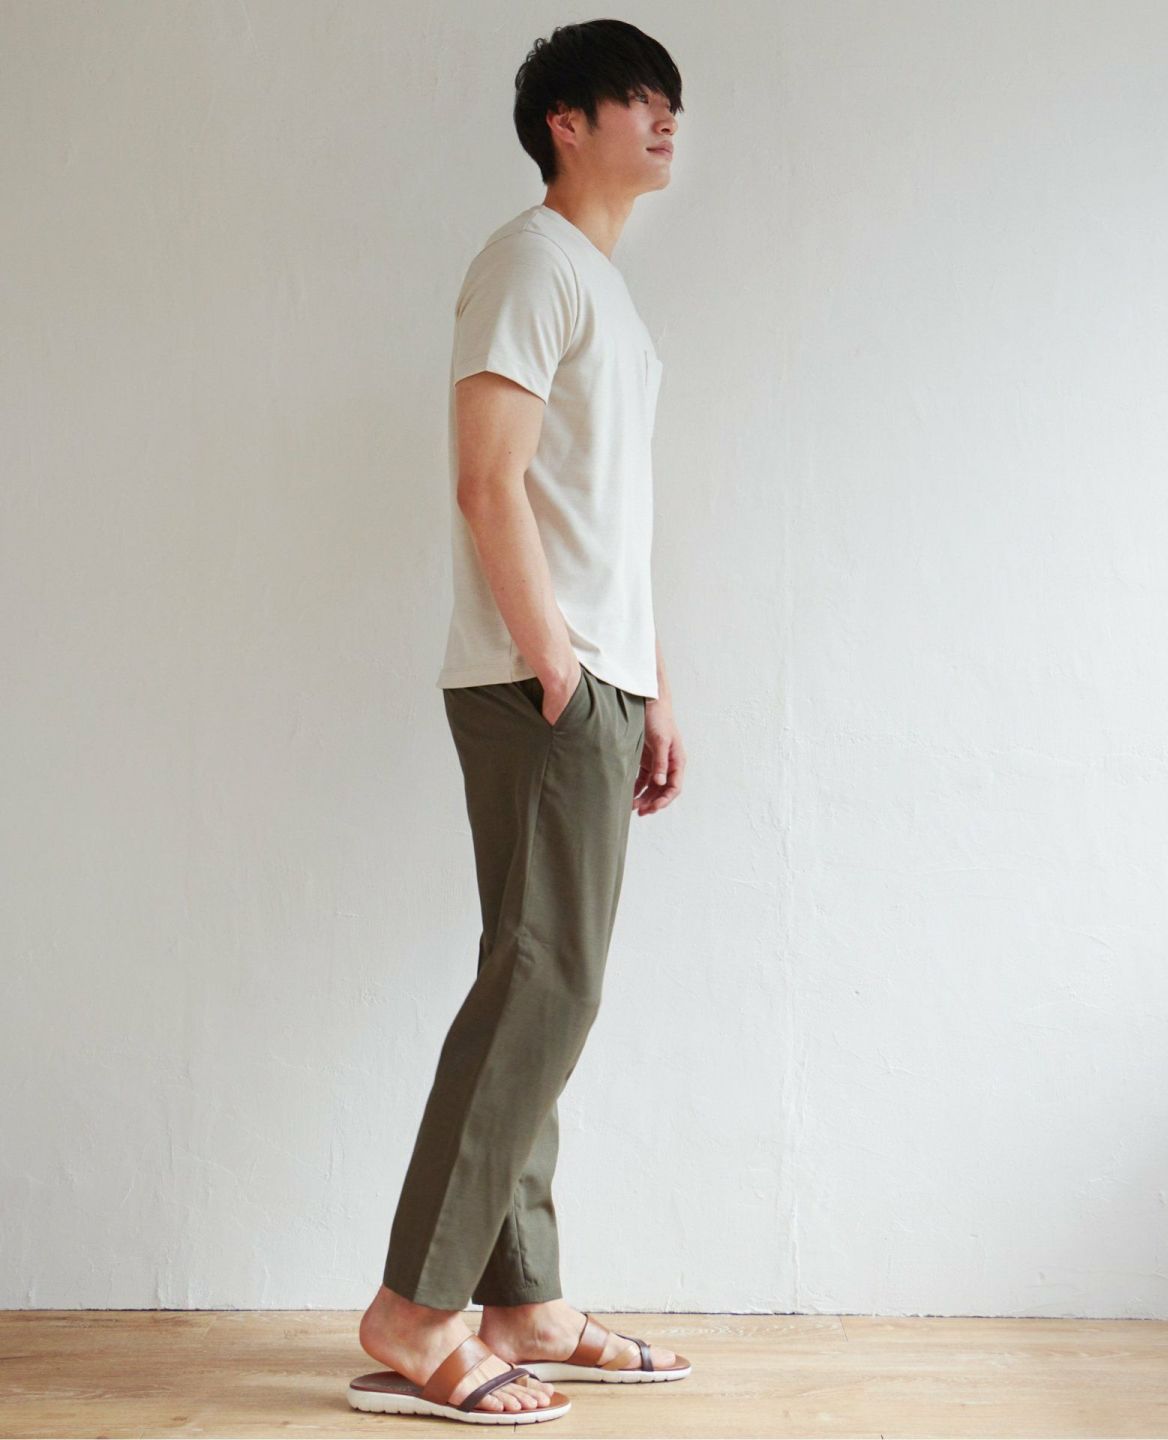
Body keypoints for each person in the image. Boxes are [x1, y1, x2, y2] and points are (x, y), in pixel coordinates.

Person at [349, 19, 689, 1424]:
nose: (667, 118)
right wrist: (557, 666)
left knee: (541, 983)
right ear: (565, 120)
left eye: (675, 103)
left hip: (593, 677)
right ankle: (416, 1311)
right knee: (546, 982)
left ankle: (524, 1299)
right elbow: (488, 479)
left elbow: (606, 517)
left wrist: (648, 681)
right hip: (538, 679)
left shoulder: (603, 291)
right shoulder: (531, 263)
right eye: (640, 96)